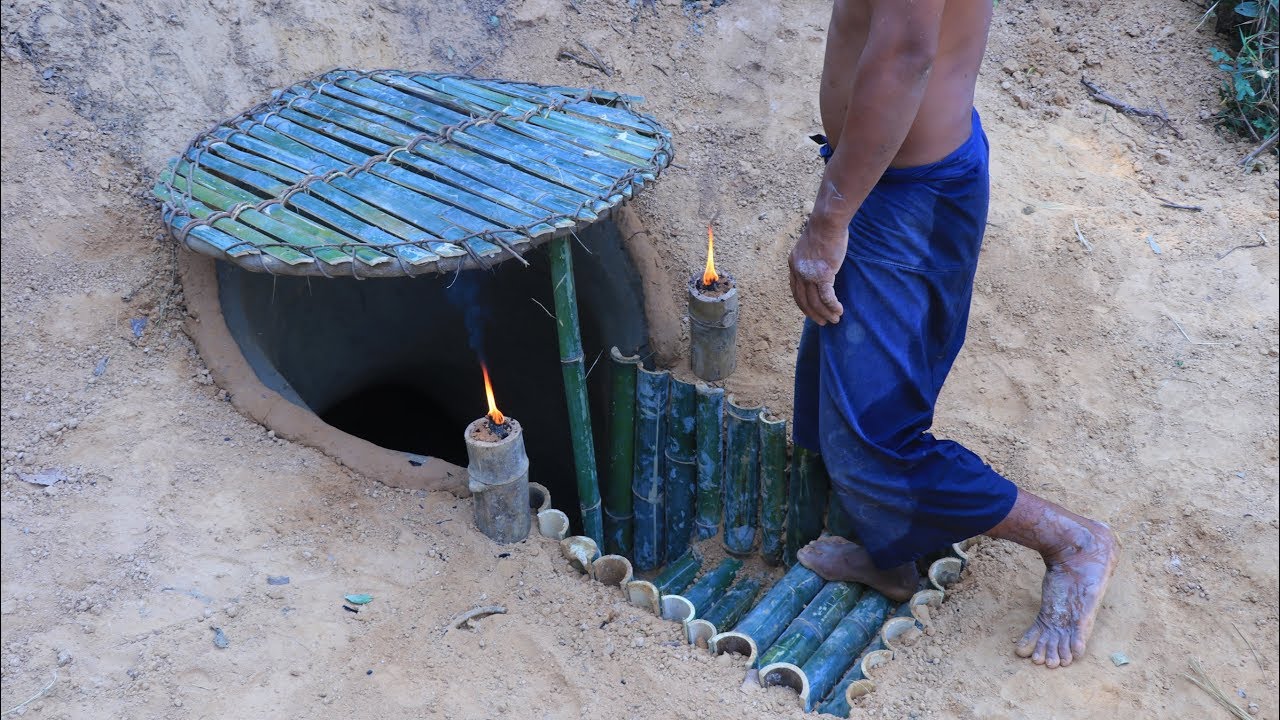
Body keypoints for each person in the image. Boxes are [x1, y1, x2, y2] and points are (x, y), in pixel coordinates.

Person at [789, 0, 1118, 670]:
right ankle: (893, 556)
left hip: (911, 198)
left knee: (878, 436)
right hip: (893, 184)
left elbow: (906, 54)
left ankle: (1071, 540)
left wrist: (829, 218)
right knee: (835, 388)